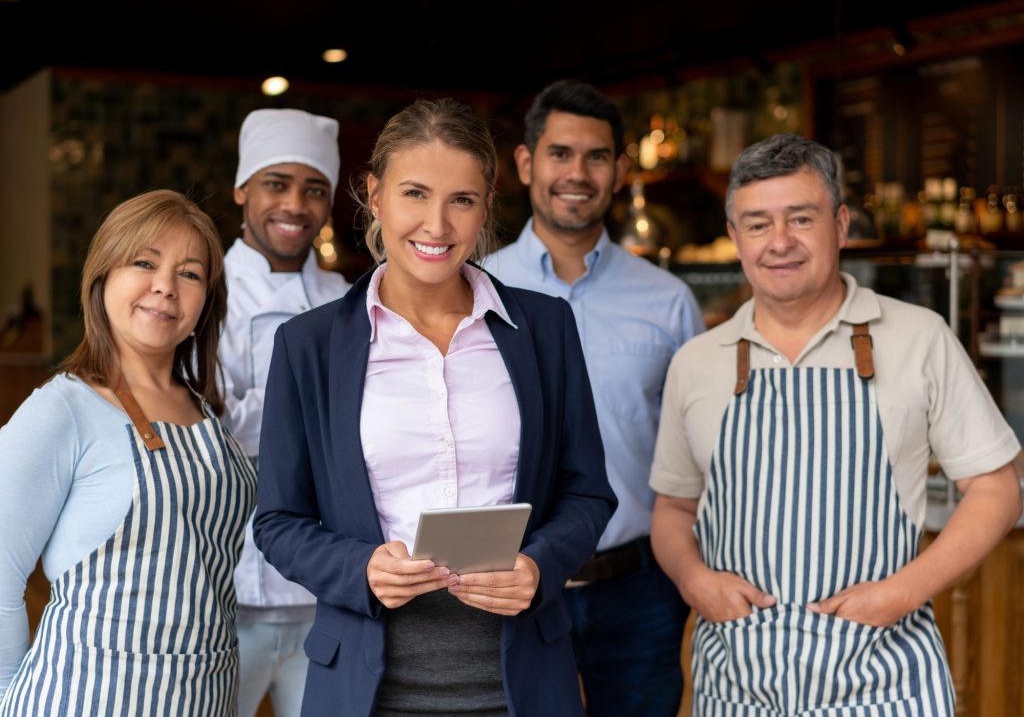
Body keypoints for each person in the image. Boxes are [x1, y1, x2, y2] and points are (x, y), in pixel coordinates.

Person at [252, 98, 616, 717]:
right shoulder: (308, 345)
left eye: (462, 200)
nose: (437, 225)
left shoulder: (547, 328)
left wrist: (537, 566)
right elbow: (279, 521)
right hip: (365, 687)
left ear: (487, 204)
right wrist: (360, 566)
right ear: (375, 195)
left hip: (523, 677)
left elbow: (587, 493)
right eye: (415, 194)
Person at [649, 133, 1023, 715]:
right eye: (757, 224)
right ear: (734, 237)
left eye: (801, 218)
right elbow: (673, 509)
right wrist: (693, 580)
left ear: (841, 224)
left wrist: (901, 593)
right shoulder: (696, 361)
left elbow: (996, 490)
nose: (780, 243)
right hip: (740, 682)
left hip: (883, 678)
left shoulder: (919, 336)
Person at [485, 79, 703, 715]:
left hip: (636, 590)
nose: (576, 173)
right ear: (526, 164)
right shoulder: (475, 289)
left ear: (619, 171)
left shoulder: (668, 301)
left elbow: (695, 453)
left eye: (596, 156)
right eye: (560, 153)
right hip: (504, 584)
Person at [0, 190, 255, 715]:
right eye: (144, 262)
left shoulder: (208, 414)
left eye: (190, 273)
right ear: (103, 275)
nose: (165, 286)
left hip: (207, 696)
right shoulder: (61, 410)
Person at [220, 108, 350, 717]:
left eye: (314, 189)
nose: (296, 204)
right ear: (242, 189)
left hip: (323, 591)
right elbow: (205, 429)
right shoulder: (201, 289)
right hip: (223, 594)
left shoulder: (347, 302)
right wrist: (314, 411)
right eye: (277, 183)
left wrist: (257, 411)